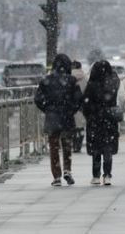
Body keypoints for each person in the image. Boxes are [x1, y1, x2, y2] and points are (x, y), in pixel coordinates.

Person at [34, 54, 82, 186]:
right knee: (67, 145)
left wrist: (47, 109)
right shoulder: (72, 80)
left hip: (52, 117)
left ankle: (56, 176)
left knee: (54, 147)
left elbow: (38, 99)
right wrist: (71, 109)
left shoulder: (46, 80)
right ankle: (67, 170)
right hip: (67, 116)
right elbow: (78, 99)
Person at [81, 60, 121, 186]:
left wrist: (89, 115)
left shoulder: (92, 84)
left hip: (95, 119)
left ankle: (96, 175)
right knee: (108, 146)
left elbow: (85, 103)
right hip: (109, 119)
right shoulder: (113, 83)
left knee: (96, 148)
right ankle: (108, 175)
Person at [71, 60, 88, 153]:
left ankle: (74, 144)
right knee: (80, 126)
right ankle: (79, 144)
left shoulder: (68, 77)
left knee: (72, 126)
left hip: (71, 105)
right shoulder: (85, 77)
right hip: (82, 105)